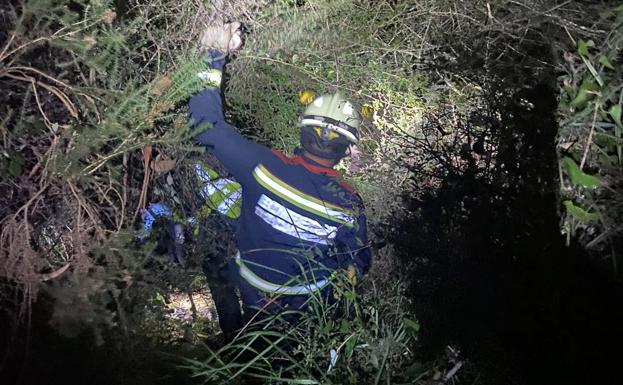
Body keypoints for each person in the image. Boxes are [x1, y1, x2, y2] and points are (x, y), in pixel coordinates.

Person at [190, 22, 372, 329]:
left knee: (258, 347)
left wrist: (213, 52)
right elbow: (356, 260)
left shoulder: (262, 168)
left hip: (256, 292)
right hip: (312, 303)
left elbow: (205, 124)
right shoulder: (349, 204)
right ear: (346, 150)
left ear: (302, 132)